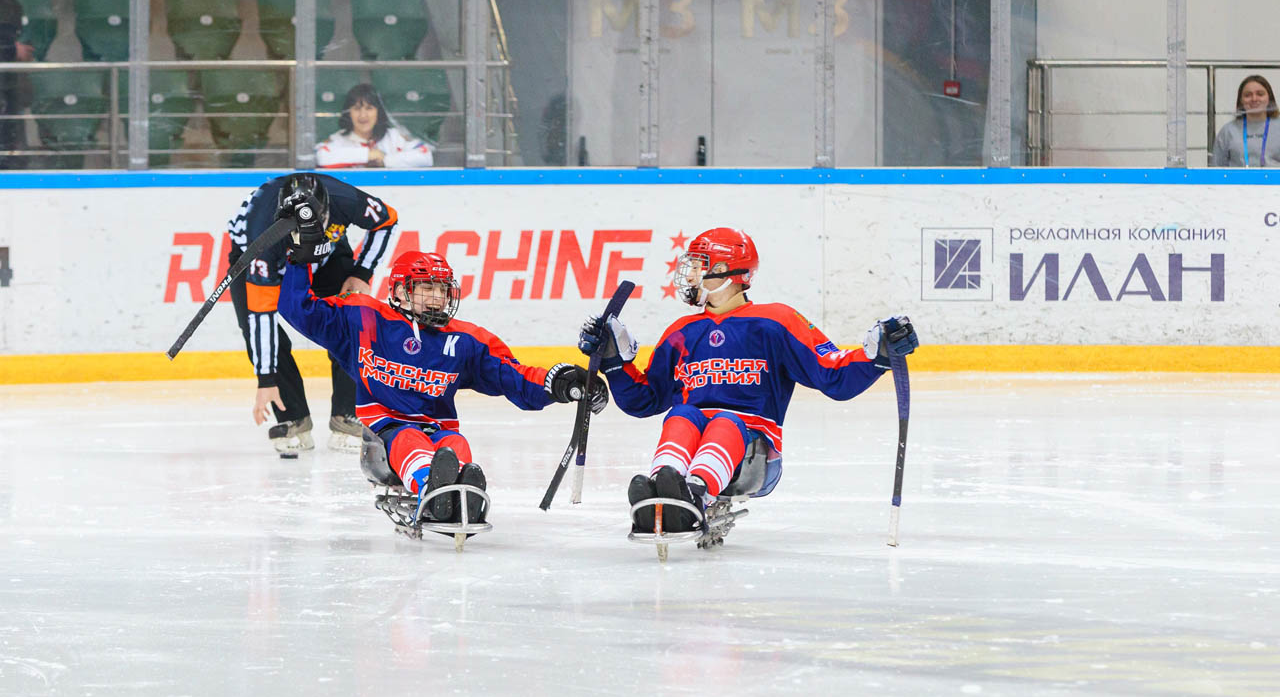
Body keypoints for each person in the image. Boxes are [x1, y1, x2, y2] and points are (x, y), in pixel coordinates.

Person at [578, 227, 919, 535]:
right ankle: (664, 491)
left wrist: (876, 355)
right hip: (696, 437)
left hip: (753, 452)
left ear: (725, 270)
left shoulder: (775, 322)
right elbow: (645, 399)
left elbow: (833, 374)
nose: (690, 274)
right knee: (680, 415)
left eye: (698, 265)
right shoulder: (681, 332)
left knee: (725, 422)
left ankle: (695, 494)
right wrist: (614, 362)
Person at [274, 226, 608, 529]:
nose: (437, 297)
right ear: (400, 291)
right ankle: (433, 490)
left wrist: (557, 382)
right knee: (409, 440)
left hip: (437, 430)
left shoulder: (465, 340)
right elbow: (299, 310)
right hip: (384, 435)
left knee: (456, 445)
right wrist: (300, 260)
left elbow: (513, 377)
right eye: (426, 288)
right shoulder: (363, 318)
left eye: (442, 290)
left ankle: (460, 495)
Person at [228, 172, 399, 455]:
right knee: (256, 327)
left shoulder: (345, 200)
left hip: (328, 251)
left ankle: (347, 415)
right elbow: (261, 317)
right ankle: (292, 418)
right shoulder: (262, 239)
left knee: (351, 318)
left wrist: (362, 273)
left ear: (327, 211)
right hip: (267, 252)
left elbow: (387, 220)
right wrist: (266, 379)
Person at [315, 83, 434, 169]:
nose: (363, 115)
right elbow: (320, 157)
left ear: (379, 112)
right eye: (357, 108)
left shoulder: (394, 137)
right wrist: (368, 155)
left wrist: (385, 160)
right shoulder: (338, 139)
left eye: (369, 108)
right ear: (348, 112)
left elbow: (425, 156)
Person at [0, 0, 34, 170]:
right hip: (5, 72)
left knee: (11, 121)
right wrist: (12, 48)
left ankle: (10, 160)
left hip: (9, 76)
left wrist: (19, 47)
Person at [1211, 75, 1280, 167]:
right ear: (1241, 101)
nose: (1254, 99)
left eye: (1260, 94)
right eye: (1248, 95)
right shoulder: (1228, 131)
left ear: (1269, 98)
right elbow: (1217, 168)